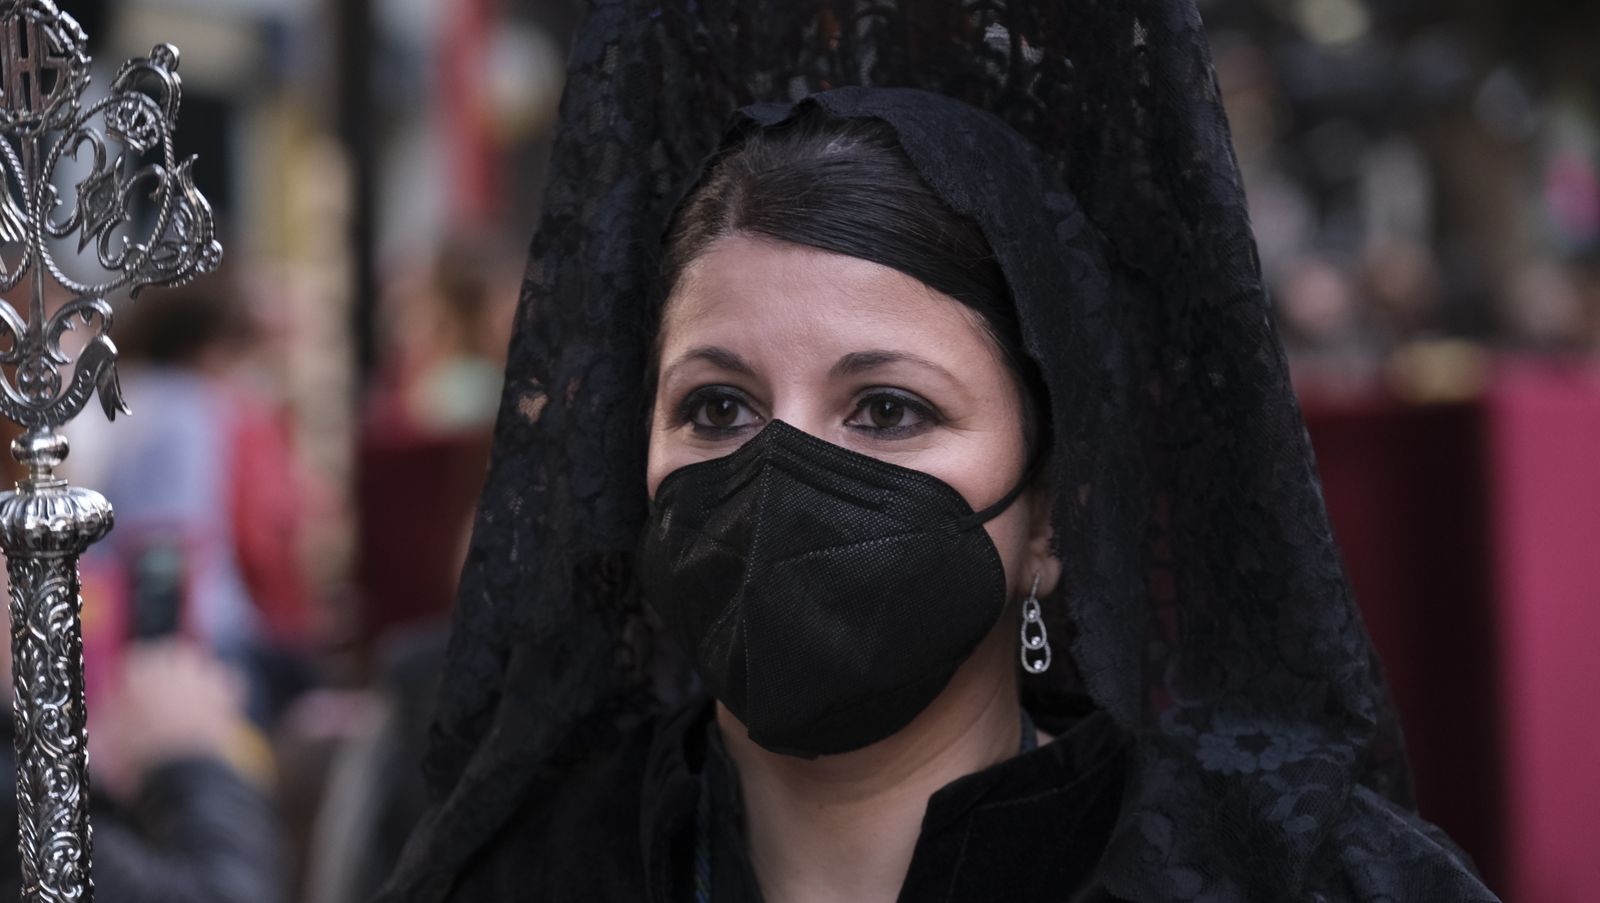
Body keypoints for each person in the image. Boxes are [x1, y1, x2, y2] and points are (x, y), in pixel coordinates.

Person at [379, 2, 1499, 901]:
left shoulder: (1299, 879)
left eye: (887, 410)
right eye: (717, 409)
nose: (780, 476)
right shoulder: (520, 873)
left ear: (1052, 515)